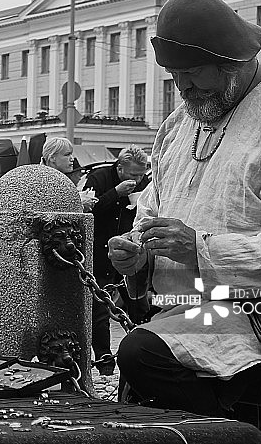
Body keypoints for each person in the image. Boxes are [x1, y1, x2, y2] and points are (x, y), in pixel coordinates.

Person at [108, 0, 261, 431]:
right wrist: (138, 251)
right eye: (175, 77)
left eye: (194, 74)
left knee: (144, 354)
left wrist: (201, 249)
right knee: (147, 359)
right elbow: (153, 211)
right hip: (182, 311)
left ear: (232, 64)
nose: (183, 89)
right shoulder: (180, 125)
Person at [83, 145, 150, 373]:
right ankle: (104, 362)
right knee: (100, 311)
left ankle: (143, 354)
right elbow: (88, 211)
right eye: (133, 175)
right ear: (120, 167)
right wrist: (116, 193)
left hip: (129, 255)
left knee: (139, 305)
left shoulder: (144, 184)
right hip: (100, 253)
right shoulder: (99, 177)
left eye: (141, 175)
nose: (138, 180)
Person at [41, 137, 96, 210]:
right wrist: (80, 204)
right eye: (67, 155)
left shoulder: (57, 179)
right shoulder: (43, 181)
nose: (72, 158)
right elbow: (52, 210)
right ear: (52, 158)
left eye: (71, 154)